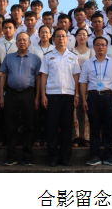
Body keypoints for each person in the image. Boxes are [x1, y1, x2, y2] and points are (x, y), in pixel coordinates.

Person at [0, 32, 41, 166]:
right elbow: (3, 76)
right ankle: (11, 156)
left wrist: (37, 97)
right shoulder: (9, 58)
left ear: (29, 43)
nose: (22, 42)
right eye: (19, 40)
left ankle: (27, 157)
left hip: (28, 94)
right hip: (11, 94)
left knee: (29, 125)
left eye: (24, 40)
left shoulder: (35, 59)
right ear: (16, 42)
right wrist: (1, 95)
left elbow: (38, 79)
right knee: (10, 125)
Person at [40, 28, 81, 167]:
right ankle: (52, 157)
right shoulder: (48, 56)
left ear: (67, 39)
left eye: (63, 36)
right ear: (53, 39)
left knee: (66, 127)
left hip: (68, 95)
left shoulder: (73, 56)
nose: (61, 39)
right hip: (52, 95)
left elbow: (76, 76)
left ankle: (65, 157)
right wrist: (43, 95)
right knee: (52, 127)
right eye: (58, 36)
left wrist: (76, 94)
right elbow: (44, 76)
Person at [80, 36, 112, 166]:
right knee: (94, 127)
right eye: (98, 45)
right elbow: (83, 82)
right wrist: (84, 100)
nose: (100, 47)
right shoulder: (88, 63)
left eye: (103, 45)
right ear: (94, 47)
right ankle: (95, 155)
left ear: (107, 47)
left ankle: (109, 155)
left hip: (109, 97)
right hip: (93, 97)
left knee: (109, 127)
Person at [29, 25, 55, 147]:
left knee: (50, 112)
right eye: (42, 32)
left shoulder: (54, 48)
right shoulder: (33, 49)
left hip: (52, 83)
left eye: (47, 32)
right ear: (38, 35)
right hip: (37, 82)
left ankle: (48, 137)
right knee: (37, 111)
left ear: (50, 35)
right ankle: (37, 137)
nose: (44, 34)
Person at [71, 28, 94, 147]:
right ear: (75, 37)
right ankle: (76, 136)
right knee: (74, 109)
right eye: (79, 34)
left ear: (88, 37)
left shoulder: (91, 51)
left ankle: (86, 137)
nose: (82, 37)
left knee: (86, 108)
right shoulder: (71, 51)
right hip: (73, 82)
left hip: (87, 83)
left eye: (84, 35)